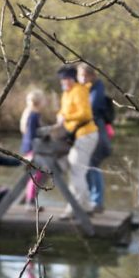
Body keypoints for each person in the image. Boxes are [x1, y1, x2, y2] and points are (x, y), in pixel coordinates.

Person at [55, 65, 97, 216]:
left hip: (85, 135)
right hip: (77, 136)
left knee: (76, 172)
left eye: (65, 79)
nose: (63, 82)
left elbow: (85, 114)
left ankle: (74, 208)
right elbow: (64, 110)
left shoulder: (79, 91)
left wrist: (66, 117)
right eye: (62, 80)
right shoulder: (67, 93)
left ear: (72, 79)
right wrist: (60, 115)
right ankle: (85, 206)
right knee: (77, 171)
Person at [77, 63, 115, 213]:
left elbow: (91, 109)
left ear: (92, 76)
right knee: (86, 166)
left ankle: (96, 201)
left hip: (97, 133)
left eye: (85, 76)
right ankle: (90, 200)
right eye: (80, 76)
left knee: (92, 165)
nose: (82, 79)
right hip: (89, 132)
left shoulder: (97, 88)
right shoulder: (85, 88)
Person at [19, 90, 45, 207]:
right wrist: (33, 151)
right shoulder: (34, 115)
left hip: (27, 147)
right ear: (38, 102)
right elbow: (32, 135)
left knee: (33, 174)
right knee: (36, 175)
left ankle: (26, 199)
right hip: (32, 148)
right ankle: (30, 202)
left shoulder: (29, 113)